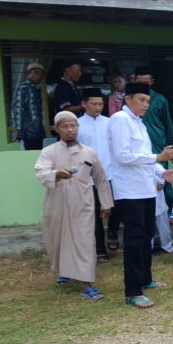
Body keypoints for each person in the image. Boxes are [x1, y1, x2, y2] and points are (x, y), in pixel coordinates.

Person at [108, 82, 173, 308]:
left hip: (146, 188)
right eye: (141, 100)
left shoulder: (139, 123)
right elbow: (122, 156)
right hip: (129, 190)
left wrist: (162, 172)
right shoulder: (120, 120)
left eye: (148, 101)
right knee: (135, 238)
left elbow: (145, 156)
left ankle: (146, 279)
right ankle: (132, 291)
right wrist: (158, 158)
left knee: (147, 234)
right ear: (128, 99)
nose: (146, 105)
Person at [35, 111, 113, 300]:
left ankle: (87, 284)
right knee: (59, 238)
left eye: (73, 126)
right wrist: (56, 174)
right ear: (57, 129)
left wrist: (106, 203)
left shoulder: (88, 152)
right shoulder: (49, 151)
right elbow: (40, 172)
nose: (70, 130)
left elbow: (101, 179)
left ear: (78, 127)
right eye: (65, 126)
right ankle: (66, 271)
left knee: (85, 241)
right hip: (58, 203)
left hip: (83, 204)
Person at [78, 88, 118, 261]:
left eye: (101, 104)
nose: (98, 107)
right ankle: (100, 249)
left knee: (116, 208)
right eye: (94, 104)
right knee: (94, 213)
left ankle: (113, 233)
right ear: (84, 104)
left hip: (111, 173)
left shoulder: (110, 123)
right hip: (88, 176)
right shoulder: (77, 124)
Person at [135, 66, 173, 207]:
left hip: (158, 146)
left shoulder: (160, 100)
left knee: (163, 179)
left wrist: (172, 148)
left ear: (152, 82)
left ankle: (170, 212)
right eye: (139, 82)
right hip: (139, 148)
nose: (143, 85)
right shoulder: (128, 101)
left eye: (146, 82)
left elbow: (168, 125)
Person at [11, 62, 46, 150]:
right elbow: (17, 109)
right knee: (30, 154)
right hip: (27, 131)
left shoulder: (36, 89)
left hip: (38, 130)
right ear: (29, 73)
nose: (38, 76)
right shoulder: (23, 88)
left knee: (39, 154)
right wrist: (18, 129)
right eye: (36, 73)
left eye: (40, 74)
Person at [153, 175, 173, 255]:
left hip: (159, 204)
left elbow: (159, 186)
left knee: (164, 228)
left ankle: (167, 247)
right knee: (147, 229)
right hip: (145, 205)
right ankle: (148, 248)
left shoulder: (158, 170)